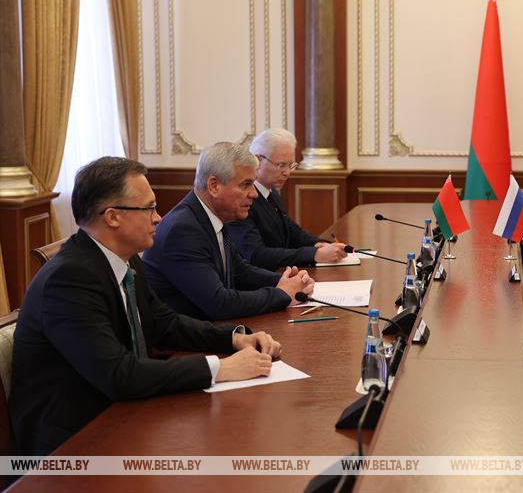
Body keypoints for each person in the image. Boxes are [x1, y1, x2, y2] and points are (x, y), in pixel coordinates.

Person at [9, 157, 282, 456]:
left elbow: (164, 323)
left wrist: (233, 338)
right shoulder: (69, 279)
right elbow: (119, 375)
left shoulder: (124, 259)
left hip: (122, 415)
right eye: (149, 208)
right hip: (73, 447)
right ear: (112, 216)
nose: (159, 218)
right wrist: (221, 368)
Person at [143, 142, 315, 320]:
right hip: (189, 336)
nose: (254, 194)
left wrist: (286, 280)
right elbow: (219, 303)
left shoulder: (211, 215)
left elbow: (240, 271)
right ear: (214, 186)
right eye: (246, 184)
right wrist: (282, 294)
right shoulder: (182, 230)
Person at [225, 128, 347, 271]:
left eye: (291, 165)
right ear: (258, 160)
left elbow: (289, 229)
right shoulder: (242, 199)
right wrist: (314, 254)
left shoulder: (271, 191)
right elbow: (256, 255)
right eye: (281, 165)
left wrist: (318, 244)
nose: (287, 173)